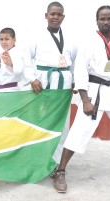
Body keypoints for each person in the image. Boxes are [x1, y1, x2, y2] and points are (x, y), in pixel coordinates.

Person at [53, 5, 110, 193]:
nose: (105, 21)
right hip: (94, 92)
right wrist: (85, 100)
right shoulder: (89, 41)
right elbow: (80, 70)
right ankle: (60, 170)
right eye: (102, 19)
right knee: (80, 129)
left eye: (109, 18)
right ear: (97, 21)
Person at [23, 1, 77, 176]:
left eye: (58, 14)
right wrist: (32, 79)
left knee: (62, 124)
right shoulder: (36, 36)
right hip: (43, 85)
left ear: (63, 17)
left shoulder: (70, 39)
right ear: (46, 15)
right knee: (41, 122)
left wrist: (75, 80)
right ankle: (38, 160)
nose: (55, 17)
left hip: (63, 87)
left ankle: (56, 164)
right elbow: (25, 58)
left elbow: (75, 62)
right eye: (52, 14)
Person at [0, 28, 25, 92]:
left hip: (10, 91)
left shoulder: (17, 53)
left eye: (7, 39)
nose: (3, 42)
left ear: (14, 39)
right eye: (1, 39)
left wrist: (11, 64)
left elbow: (19, 72)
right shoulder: (1, 54)